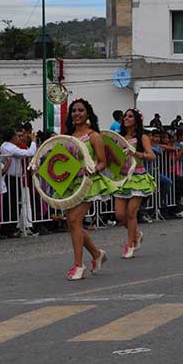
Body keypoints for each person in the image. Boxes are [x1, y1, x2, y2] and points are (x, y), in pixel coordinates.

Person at [59, 99, 118, 280]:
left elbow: (103, 161)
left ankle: (78, 265)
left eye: (80, 110)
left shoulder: (94, 136)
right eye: (73, 111)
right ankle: (96, 254)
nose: (76, 113)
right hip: (70, 184)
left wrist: (91, 169)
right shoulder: (68, 136)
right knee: (72, 223)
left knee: (75, 219)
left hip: (89, 183)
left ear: (88, 113)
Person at [115, 109, 156, 259]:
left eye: (130, 116)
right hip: (123, 177)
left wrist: (136, 153)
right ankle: (137, 234)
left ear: (136, 119)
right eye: (125, 116)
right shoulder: (119, 137)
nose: (126, 118)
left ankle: (130, 244)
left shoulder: (142, 137)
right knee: (120, 214)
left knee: (131, 212)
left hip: (138, 176)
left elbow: (152, 156)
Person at [0, 127, 37, 237]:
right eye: (17, 136)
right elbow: (29, 153)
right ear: (12, 137)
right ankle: (8, 230)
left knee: (13, 204)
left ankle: (9, 230)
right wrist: (34, 140)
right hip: (11, 178)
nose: (19, 138)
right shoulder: (10, 147)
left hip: (14, 178)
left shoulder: (5, 146)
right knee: (12, 205)